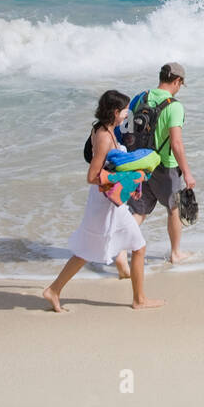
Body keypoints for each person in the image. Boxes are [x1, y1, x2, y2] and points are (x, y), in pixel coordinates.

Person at [43, 90, 165, 312]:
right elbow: (92, 176)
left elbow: (113, 168)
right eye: (126, 110)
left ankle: (138, 298)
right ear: (116, 112)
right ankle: (54, 290)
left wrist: (130, 185)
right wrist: (123, 178)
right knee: (91, 251)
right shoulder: (103, 136)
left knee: (135, 247)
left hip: (112, 202)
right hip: (103, 205)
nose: (128, 113)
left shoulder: (106, 130)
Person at [115, 62, 195, 274]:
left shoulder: (139, 97)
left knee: (139, 211)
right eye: (180, 84)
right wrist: (187, 172)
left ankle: (121, 252)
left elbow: (124, 129)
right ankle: (176, 253)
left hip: (140, 162)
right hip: (165, 166)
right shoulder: (175, 106)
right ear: (177, 81)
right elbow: (176, 144)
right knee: (174, 209)